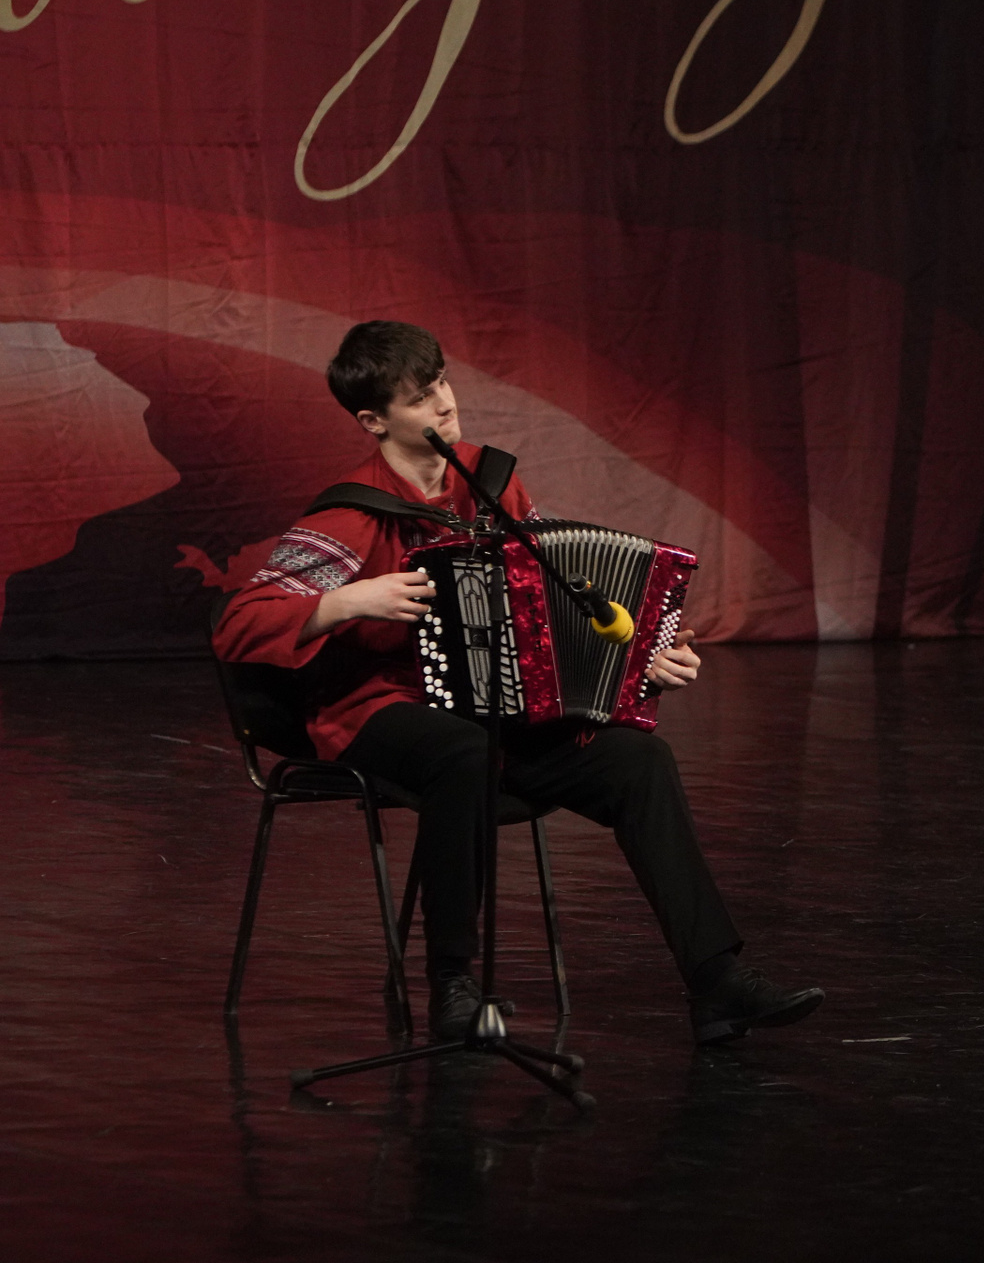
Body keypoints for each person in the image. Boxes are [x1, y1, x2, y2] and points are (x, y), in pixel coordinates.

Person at [214, 320, 824, 1046]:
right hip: (381, 710)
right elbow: (239, 622)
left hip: (496, 711)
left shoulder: (492, 483)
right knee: (460, 752)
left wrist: (642, 660)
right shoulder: (350, 517)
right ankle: (454, 984)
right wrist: (347, 600)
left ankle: (715, 980)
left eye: (441, 383)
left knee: (638, 760)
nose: (444, 404)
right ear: (374, 421)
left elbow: (553, 600)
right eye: (419, 398)